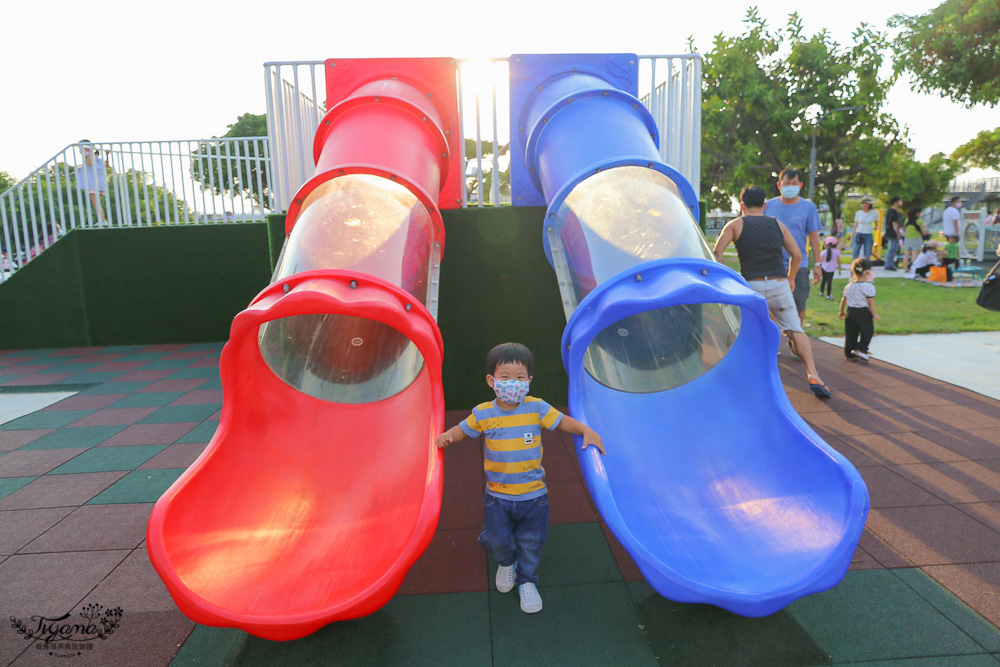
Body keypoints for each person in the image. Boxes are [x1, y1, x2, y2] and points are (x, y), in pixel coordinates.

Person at [435, 342, 605, 614]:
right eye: (505, 378)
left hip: (534, 497)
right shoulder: (484, 413)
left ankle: (527, 581)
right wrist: (448, 436)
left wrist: (585, 430)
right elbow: (463, 429)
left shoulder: (536, 408)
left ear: (529, 381)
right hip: (497, 496)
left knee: (530, 542)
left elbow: (561, 421)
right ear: (492, 380)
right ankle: (506, 563)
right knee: (497, 540)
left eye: (520, 378)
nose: (513, 383)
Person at [713, 186, 831, 398]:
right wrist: (791, 277)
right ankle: (813, 374)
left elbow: (717, 252)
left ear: (742, 205)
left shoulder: (735, 224)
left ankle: (739, 378)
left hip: (751, 287)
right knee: (795, 329)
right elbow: (796, 254)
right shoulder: (778, 224)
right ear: (765, 206)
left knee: (739, 331)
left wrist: (720, 280)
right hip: (778, 284)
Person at [765, 167, 823, 354]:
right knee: (769, 305)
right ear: (778, 185)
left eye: (794, 184)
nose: (790, 187)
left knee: (799, 303)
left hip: (800, 264)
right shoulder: (768, 206)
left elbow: (814, 238)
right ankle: (773, 340)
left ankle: (794, 338)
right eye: (786, 184)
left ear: (801, 185)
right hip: (772, 263)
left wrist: (818, 264)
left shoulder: (808, 207)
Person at [838, 258, 880, 362]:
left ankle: (849, 353)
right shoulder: (868, 286)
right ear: (866, 272)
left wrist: (841, 311)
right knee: (867, 331)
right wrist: (874, 314)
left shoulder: (849, 286)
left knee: (851, 334)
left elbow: (843, 300)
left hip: (850, 312)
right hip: (863, 313)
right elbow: (870, 302)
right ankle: (861, 349)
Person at [76, 140, 109, 226]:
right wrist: (107, 155)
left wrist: (90, 150)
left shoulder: (89, 155)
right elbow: (107, 165)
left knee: (95, 203)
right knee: (97, 203)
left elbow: (89, 163)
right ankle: (102, 220)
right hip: (99, 182)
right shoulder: (97, 159)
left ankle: (102, 221)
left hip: (93, 182)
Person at [851, 195, 879, 261]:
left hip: (868, 233)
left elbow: (876, 225)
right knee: (855, 253)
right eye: (863, 204)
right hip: (859, 233)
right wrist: (852, 237)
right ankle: (853, 269)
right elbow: (855, 225)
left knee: (867, 253)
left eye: (866, 204)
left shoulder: (874, 213)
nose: (864, 205)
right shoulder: (859, 213)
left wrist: (875, 228)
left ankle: (866, 268)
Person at [883, 196, 904, 270]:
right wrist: (898, 234)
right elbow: (895, 223)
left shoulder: (889, 211)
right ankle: (889, 265)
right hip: (893, 233)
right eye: (900, 201)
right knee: (892, 249)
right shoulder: (894, 212)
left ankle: (888, 264)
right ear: (896, 202)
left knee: (891, 249)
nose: (901, 203)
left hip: (888, 232)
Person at [819, 236, 841, 300]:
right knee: (829, 282)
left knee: (823, 280)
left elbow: (821, 260)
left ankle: (821, 292)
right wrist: (839, 270)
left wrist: (820, 268)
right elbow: (839, 261)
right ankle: (828, 295)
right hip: (831, 269)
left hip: (824, 268)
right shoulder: (836, 252)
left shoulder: (823, 252)